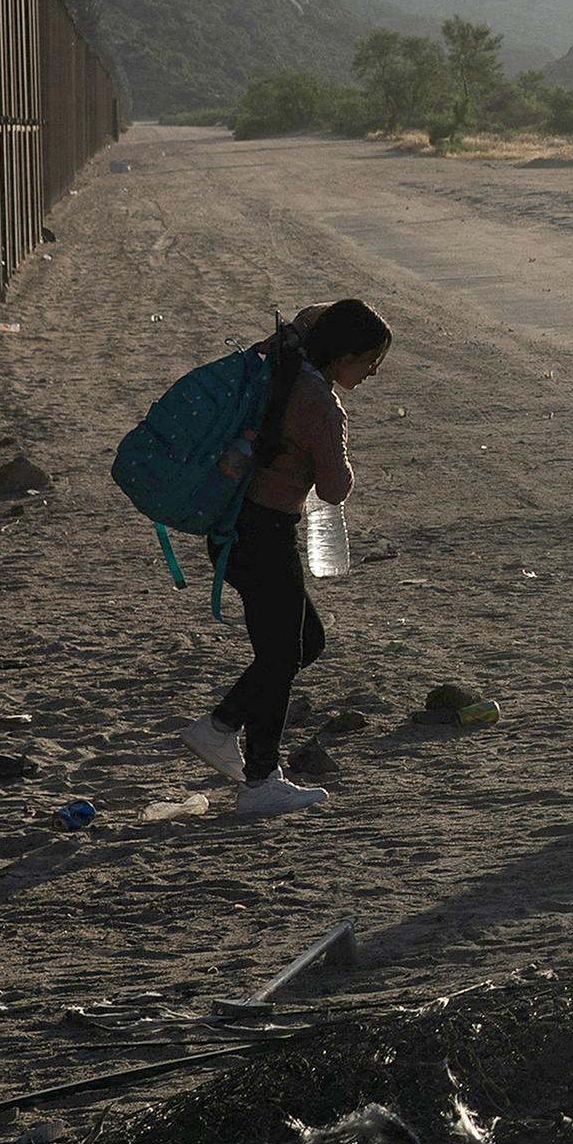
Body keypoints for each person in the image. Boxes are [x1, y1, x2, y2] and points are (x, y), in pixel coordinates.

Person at [177, 300, 390, 816]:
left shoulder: (281, 371)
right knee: (280, 655)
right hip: (265, 534)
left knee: (302, 643)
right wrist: (337, 446)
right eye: (368, 361)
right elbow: (335, 489)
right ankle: (259, 780)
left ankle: (222, 726)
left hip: (238, 528)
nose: (371, 373)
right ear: (343, 356)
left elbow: (311, 314)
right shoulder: (320, 402)